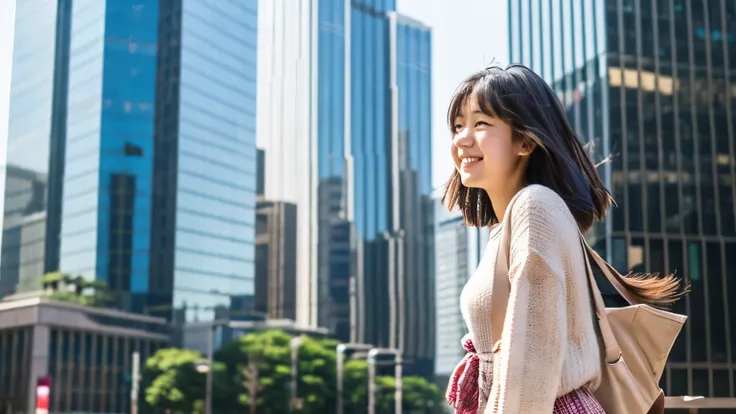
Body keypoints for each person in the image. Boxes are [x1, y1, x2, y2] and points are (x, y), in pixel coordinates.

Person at [442, 64, 685, 413]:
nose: (462, 139)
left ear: (525, 140)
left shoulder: (535, 207)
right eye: (458, 126)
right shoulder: (506, 227)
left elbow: (532, 358)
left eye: (480, 123)